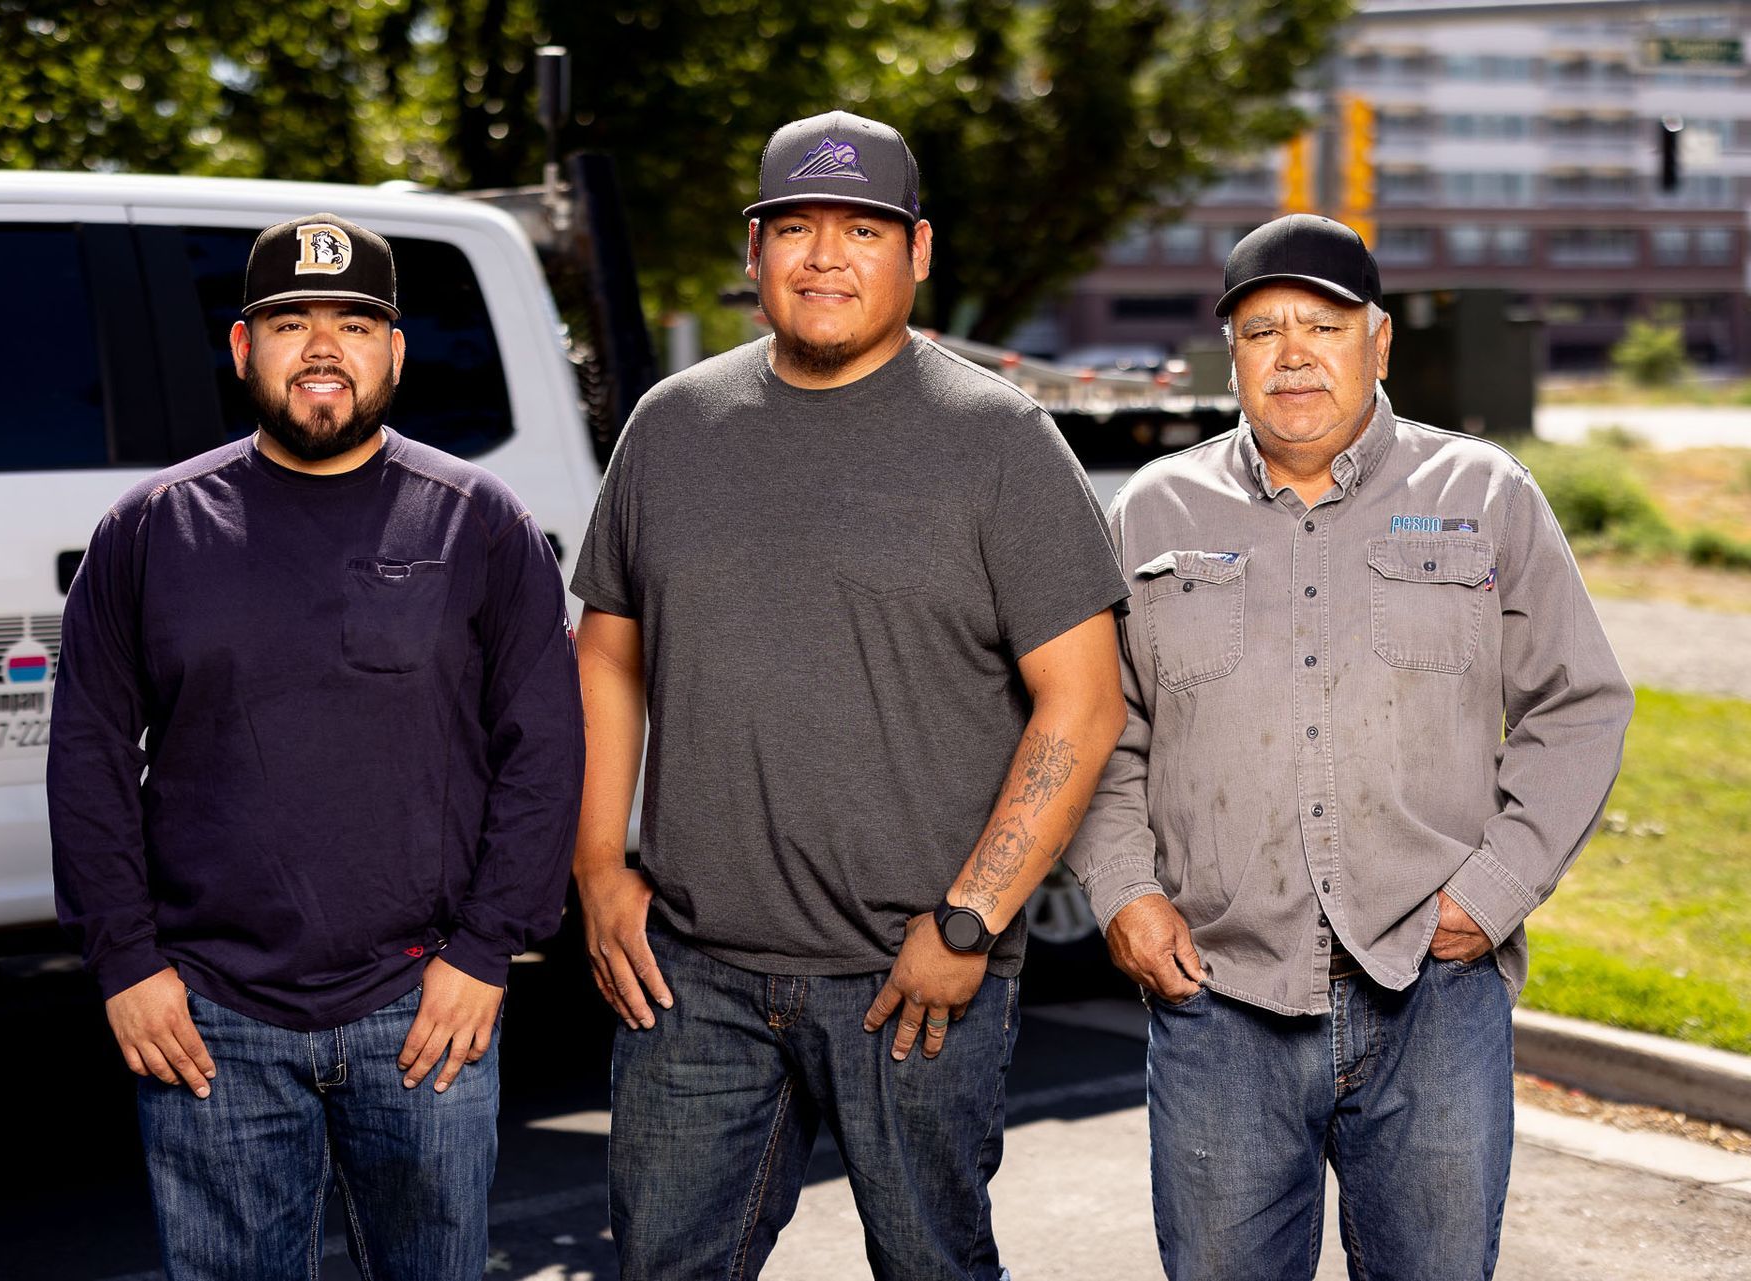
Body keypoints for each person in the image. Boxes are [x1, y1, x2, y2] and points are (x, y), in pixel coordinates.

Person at [569, 110, 1128, 1280]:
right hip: (694, 978)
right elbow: (608, 654)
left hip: (913, 980)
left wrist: (972, 919)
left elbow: (1081, 703)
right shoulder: (670, 430)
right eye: (797, 228)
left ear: (916, 253)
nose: (826, 256)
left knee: (932, 1268)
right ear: (756, 253)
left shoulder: (1002, 443)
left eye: (862, 229)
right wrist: (598, 869)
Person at [1067, 213, 1633, 1280]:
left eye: (1322, 326)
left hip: (1434, 994)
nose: (1291, 354)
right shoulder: (1153, 510)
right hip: (1219, 996)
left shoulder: (1486, 495)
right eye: (1260, 330)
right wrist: (1122, 894)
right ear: (1228, 355)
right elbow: (1105, 727)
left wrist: (1497, 887)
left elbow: (1580, 704)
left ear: (1378, 341)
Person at [48, 213, 583, 1281]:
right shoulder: (151, 530)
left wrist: (486, 954)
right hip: (209, 1017)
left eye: (355, 322)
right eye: (290, 322)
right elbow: (90, 756)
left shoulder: (479, 523)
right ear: (245, 351)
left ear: (395, 350)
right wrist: (127, 963)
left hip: (424, 1005)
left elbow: (544, 749)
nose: (323, 347)